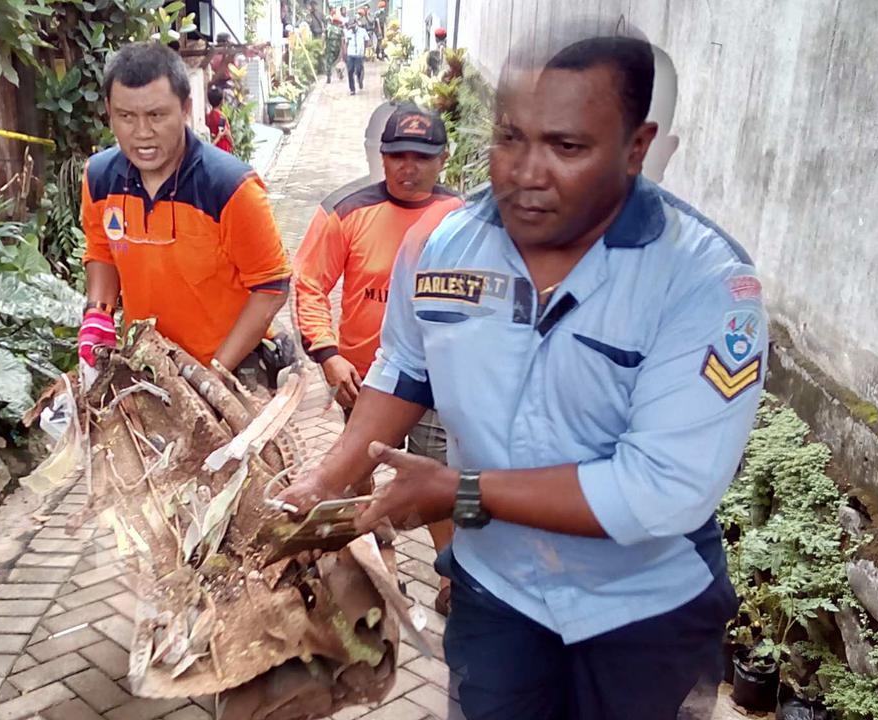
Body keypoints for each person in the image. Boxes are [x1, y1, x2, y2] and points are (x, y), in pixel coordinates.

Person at [279, 33, 767, 719]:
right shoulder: (444, 244)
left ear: (636, 146)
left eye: (566, 146)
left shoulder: (704, 281)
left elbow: (662, 490)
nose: (526, 172)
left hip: (643, 614)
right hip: (497, 595)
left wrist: (460, 492)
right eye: (510, 137)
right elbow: (405, 371)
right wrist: (325, 481)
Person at [293, 104, 463, 614]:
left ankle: (453, 578)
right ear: (382, 157)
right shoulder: (346, 211)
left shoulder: (462, 220)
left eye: (422, 157)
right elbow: (309, 285)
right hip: (364, 382)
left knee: (435, 472)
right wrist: (328, 354)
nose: (408, 168)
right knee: (358, 476)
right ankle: (373, 570)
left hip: (436, 380)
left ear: (444, 159)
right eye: (397, 156)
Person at [78, 42, 290, 381]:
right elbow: (102, 251)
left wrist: (213, 376)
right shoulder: (99, 178)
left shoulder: (231, 188)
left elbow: (271, 287)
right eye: (126, 116)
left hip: (232, 363)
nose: (142, 133)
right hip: (149, 363)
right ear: (109, 111)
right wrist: (98, 313)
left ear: (187, 108)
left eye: (157, 115)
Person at [342, 19, 368, 95]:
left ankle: (360, 80)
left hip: (359, 54)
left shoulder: (362, 31)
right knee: (350, 71)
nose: (352, 28)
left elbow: (366, 40)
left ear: (356, 24)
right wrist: (345, 53)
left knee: (359, 70)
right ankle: (352, 89)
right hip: (350, 54)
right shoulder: (348, 33)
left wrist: (365, 50)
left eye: (353, 25)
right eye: (350, 26)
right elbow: (346, 43)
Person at [205, 86, 233, 154]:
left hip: (215, 147)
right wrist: (232, 143)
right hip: (223, 147)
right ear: (221, 101)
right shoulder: (221, 116)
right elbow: (226, 132)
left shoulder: (209, 115)